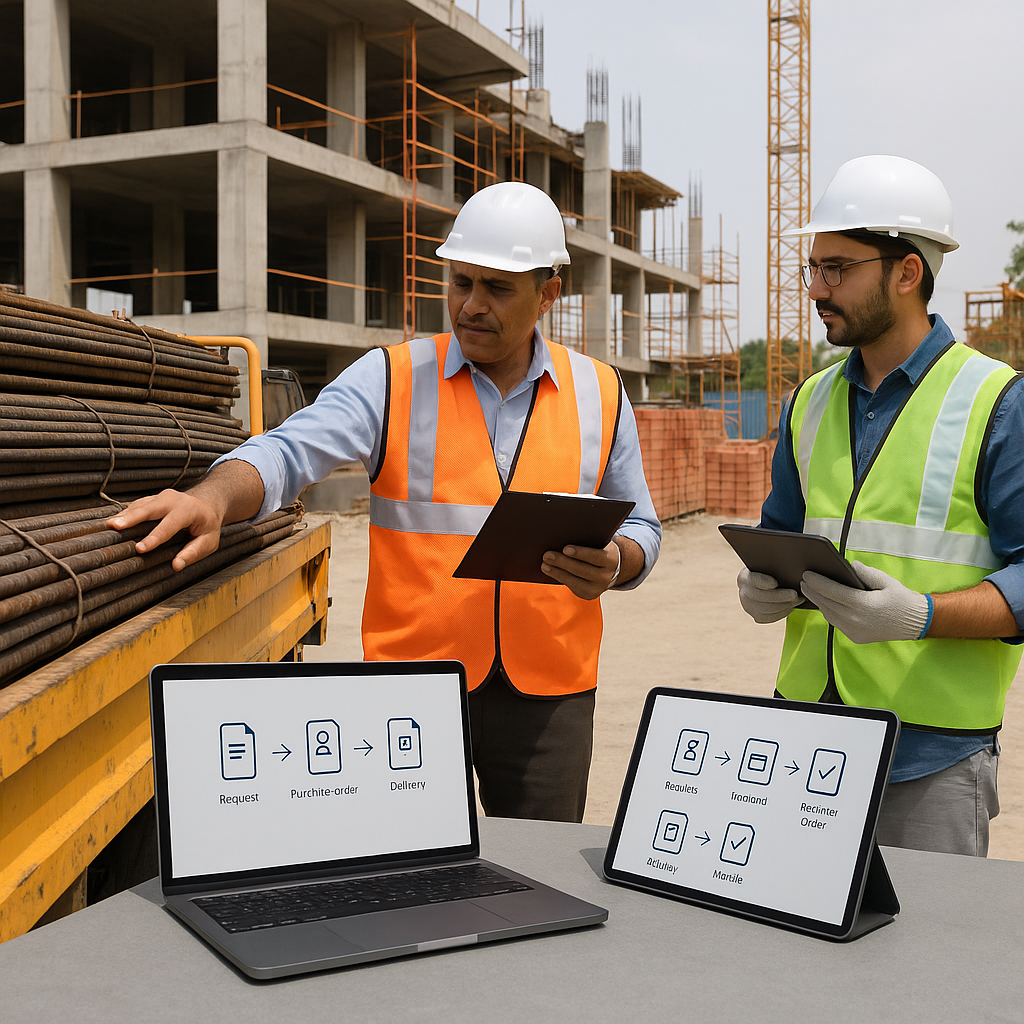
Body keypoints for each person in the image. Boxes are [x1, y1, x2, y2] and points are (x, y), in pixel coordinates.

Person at [109, 181, 661, 823]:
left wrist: (618, 562)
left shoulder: (601, 391)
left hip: (551, 691)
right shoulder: (392, 378)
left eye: (497, 289)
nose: (471, 306)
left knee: (543, 885)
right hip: (413, 689)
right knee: (412, 887)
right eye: (460, 283)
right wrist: (212, 497)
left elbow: (642, 524)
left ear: (548, 294)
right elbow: (288, 452)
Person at [736, 154, 1024, 856]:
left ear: (907, 272)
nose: (816, 289)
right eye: (814, 268)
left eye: (838, 268)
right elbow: (781, 535)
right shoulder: (807, 400)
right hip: (802, 741)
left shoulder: (996, 404)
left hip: (929, 759)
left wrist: (921, 616)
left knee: (921, 964)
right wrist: (762, 583)